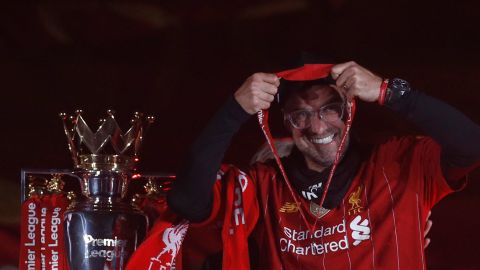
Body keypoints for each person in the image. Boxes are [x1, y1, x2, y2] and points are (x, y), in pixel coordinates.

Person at [128, 60, 480, 269]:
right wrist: (234, 110)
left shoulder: (399, 164)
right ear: (286, 122)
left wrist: (391, 92)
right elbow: (187, 202)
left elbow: (472, 145)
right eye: (301, 114)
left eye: (330, 108)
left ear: (349, 111)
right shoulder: (263, 184)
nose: (317, 126)